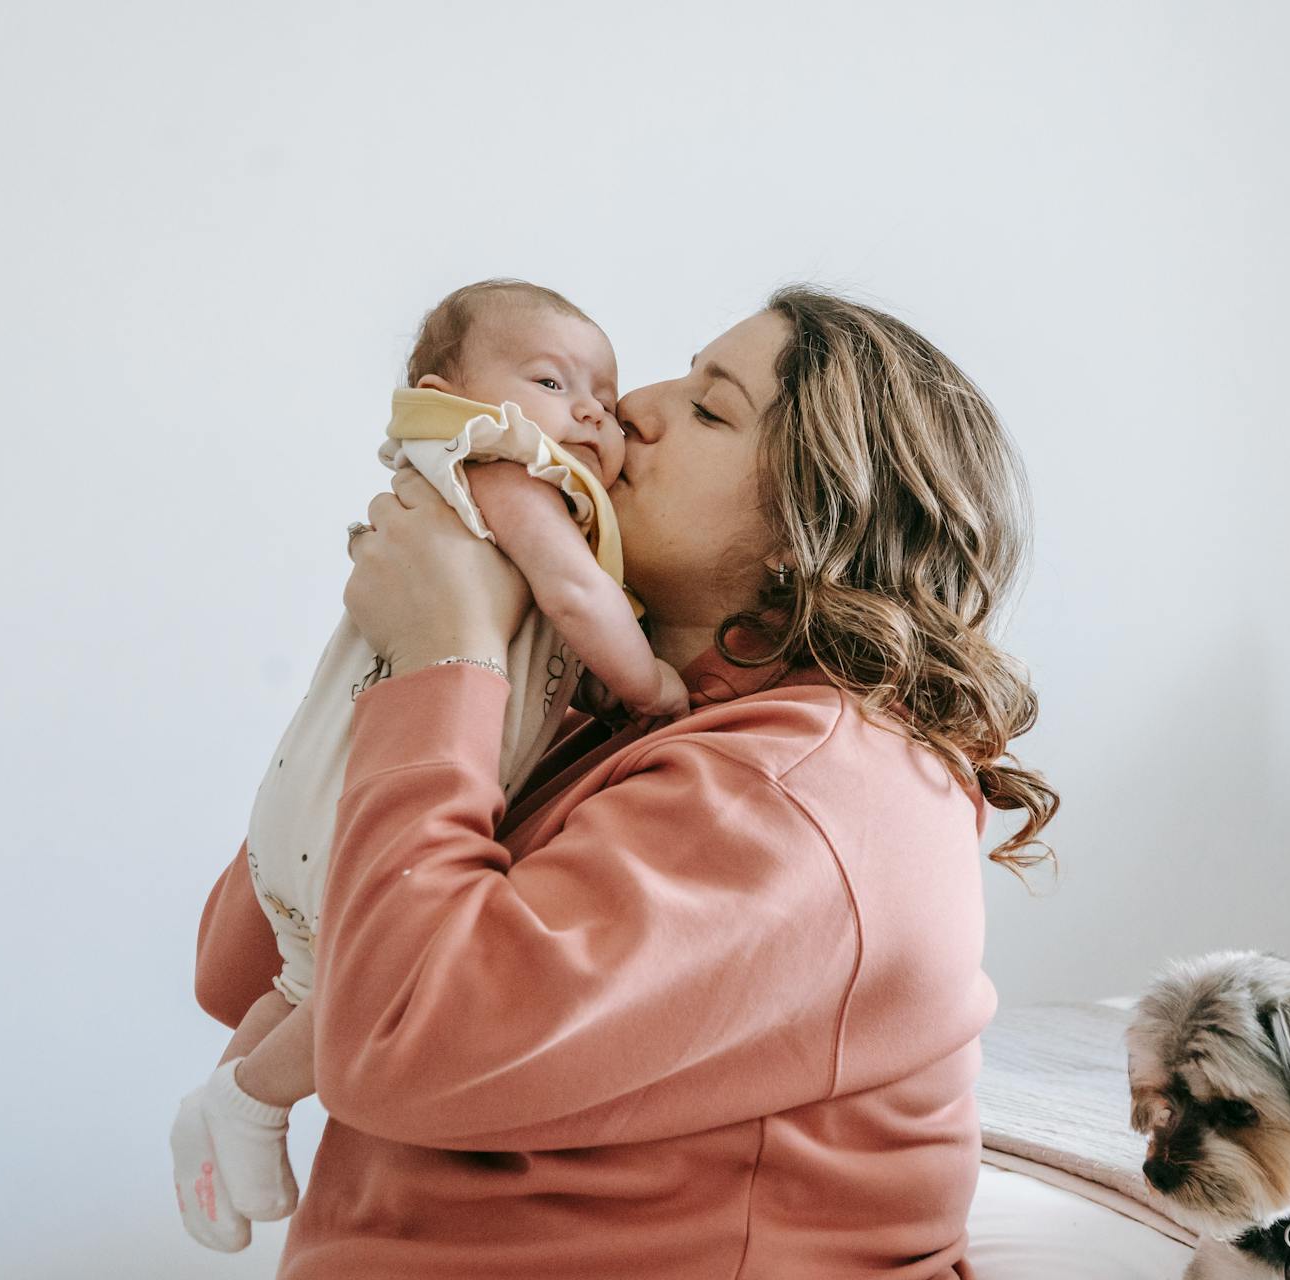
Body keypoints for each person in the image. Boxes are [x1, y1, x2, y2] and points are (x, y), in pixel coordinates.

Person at [186, 285, 1058, 1278]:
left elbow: (392, 1045)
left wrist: (444, 652)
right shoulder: (613, 713)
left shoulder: (806, 786)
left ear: (807, 523)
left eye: (709, 405)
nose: (636, 404)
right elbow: (239, 966)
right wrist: (387, 673)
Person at [171, 280, 690, 1253]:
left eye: (605, 399)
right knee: (361, 985)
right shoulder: (501, 469)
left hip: (312, 798)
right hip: (356, 807)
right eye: (551, 379)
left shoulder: (455, 496)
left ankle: (217, 1105)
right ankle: (252, 1098)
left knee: (304, 975)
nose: (589, 410)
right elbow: (577, 598)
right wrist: (651, 682)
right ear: (448, 391)